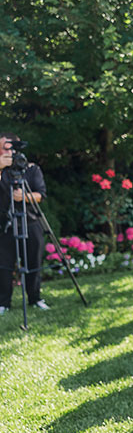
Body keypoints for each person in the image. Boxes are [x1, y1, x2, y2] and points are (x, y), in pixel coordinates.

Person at [0, 132, 49, 315]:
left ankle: (35, 298)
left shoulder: (31, 169)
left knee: (34, 261)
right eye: (4, 147)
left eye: (11, 146)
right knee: (4, 264)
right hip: (6, 224)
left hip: (30, 221)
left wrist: (25, 197)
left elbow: (41, 194)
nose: (8, 150)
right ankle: (3, 302)